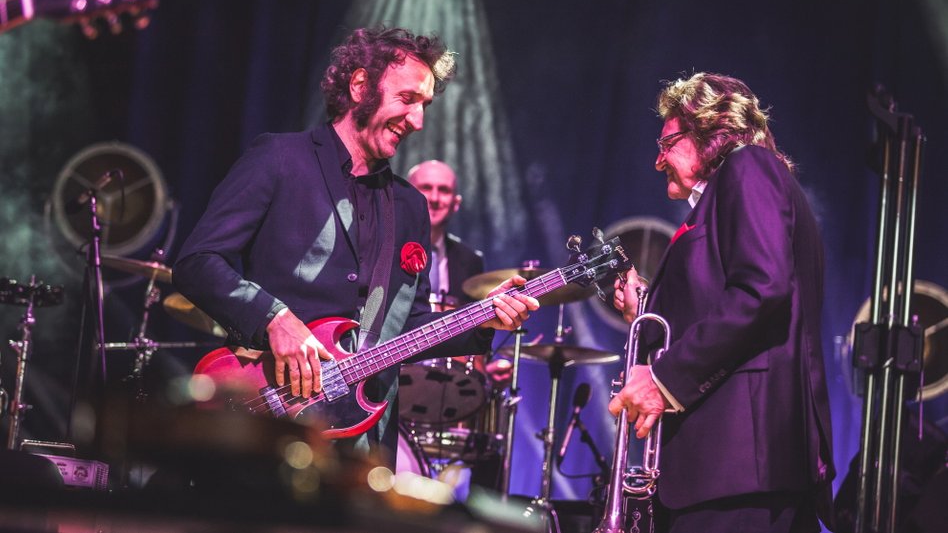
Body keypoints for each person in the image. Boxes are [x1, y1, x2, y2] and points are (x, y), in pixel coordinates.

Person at [172, 26, 538, 459]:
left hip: (363, 440)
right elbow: (197, 262)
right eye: (407, 99)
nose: (418, 121)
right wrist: (273, 318)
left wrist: (483, 320)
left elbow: (409, 325)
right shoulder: (280, 158)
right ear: (360, 85)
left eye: (424, 105)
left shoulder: (409, 206)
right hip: (267, 417)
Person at [610, 72, 835, 533]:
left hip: (739, 465)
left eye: (667, 143)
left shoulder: (748, 166)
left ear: (709, 130)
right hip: (730, 470)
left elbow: (761, 288)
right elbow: (726, 304)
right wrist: (645, 313)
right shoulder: (730, 191)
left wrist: (664, 379)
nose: (658, 160)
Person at [406, 159, 513, 387]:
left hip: (448, 385)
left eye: (444, 190)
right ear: (406, 196)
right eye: (426, 188)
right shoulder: (384, 247)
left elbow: (472, 331)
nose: (435, 198)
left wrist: (484, 370)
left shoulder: (470, 260)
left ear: (456, 203)